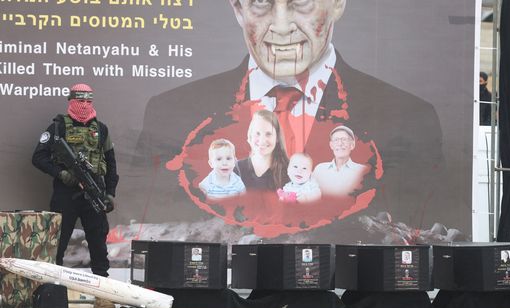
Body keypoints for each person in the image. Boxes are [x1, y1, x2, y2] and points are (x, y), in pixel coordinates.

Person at [135, 0, 453, 236]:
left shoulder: (410, 119)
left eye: (300, 2)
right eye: (261, 3)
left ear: (338, 3)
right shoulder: (171, 114)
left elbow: (422, 237)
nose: (282, 26)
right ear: (237, 8)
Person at [32, 84, 118, 280]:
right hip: (65, 194)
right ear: (71, 101)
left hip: (94, 191)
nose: (85, 106)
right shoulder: (57, 127)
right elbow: (38, 157)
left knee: (98, 243)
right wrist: (62, 174)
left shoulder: (101, 129)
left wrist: (110, 193)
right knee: (58, 243)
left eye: (89, 101)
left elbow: (111, 164)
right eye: (81, 101)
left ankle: (102, 291)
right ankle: (54, 288)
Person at [235, 110, 289, 191]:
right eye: (257, 133)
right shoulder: (236, 168)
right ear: (250, 136)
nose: (262, 140)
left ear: (277, 137)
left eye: (268, 134)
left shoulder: (290, 170)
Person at [312, 125, 369, 198]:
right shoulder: (319, 169)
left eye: (344, 139)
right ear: (331, 145)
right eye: (336, 140)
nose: (340, 144)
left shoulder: (363, 171)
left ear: (352, 145)